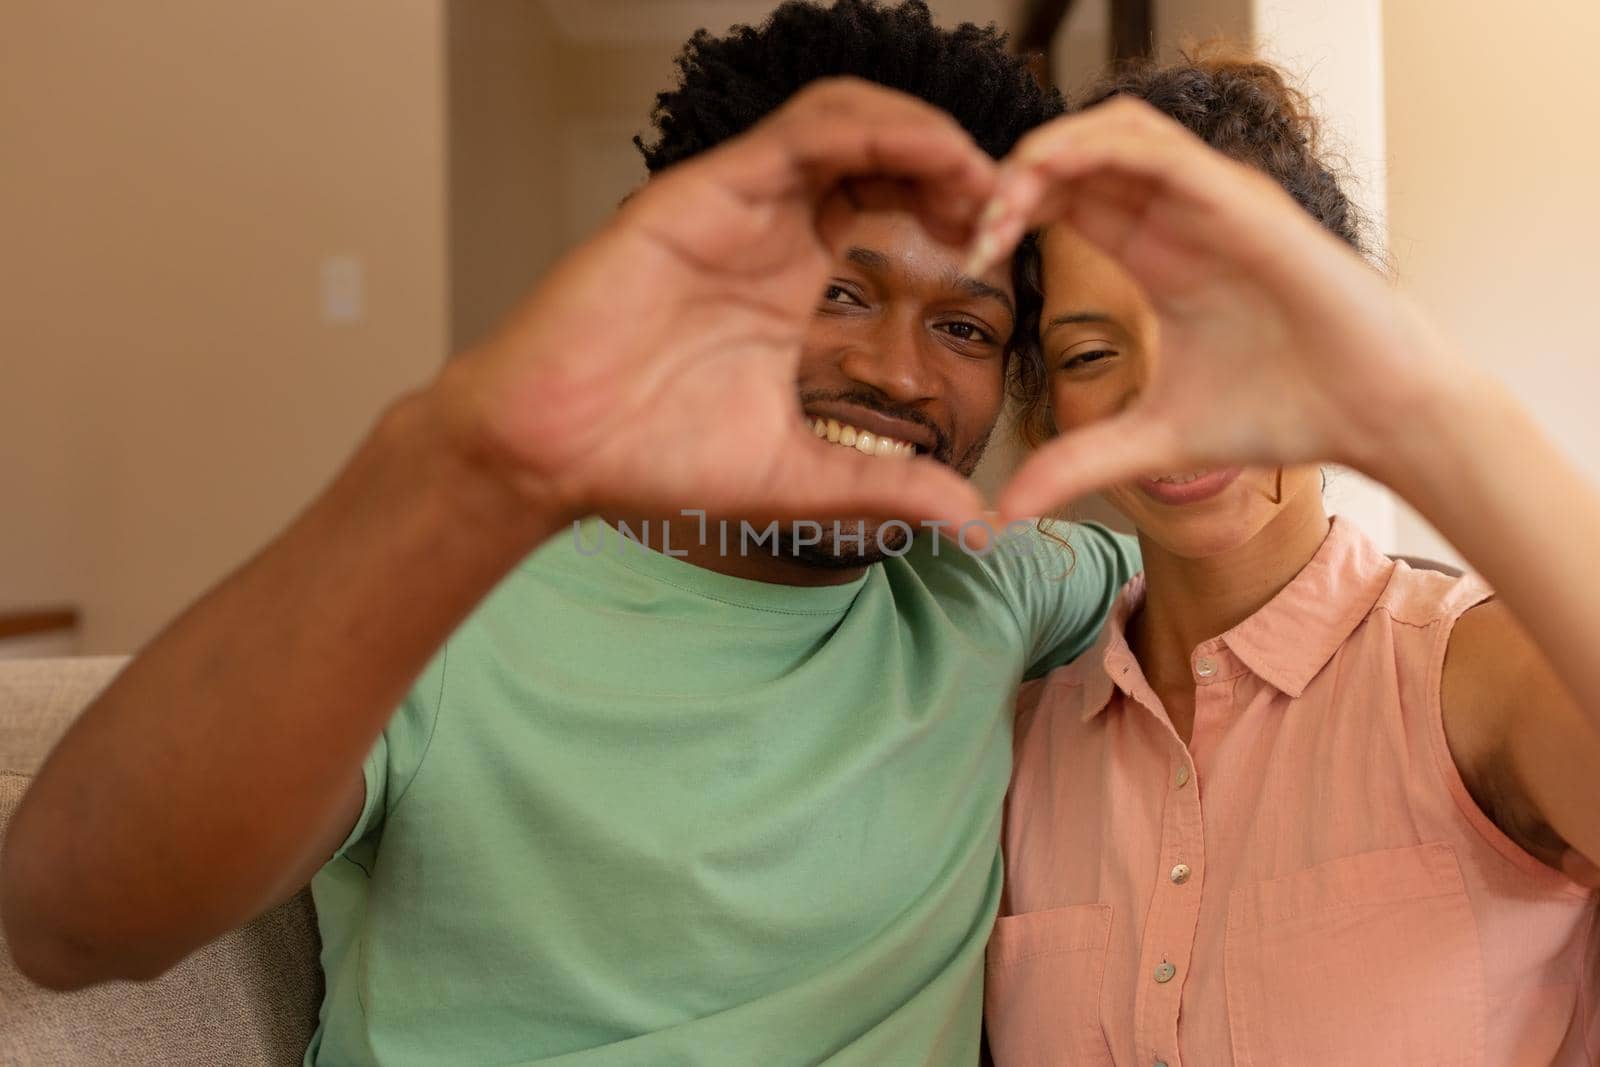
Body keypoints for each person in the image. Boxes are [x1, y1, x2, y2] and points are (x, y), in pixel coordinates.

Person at [0, 4, 1139, 1066]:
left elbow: (1274, 572)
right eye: (838, 291)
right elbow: (70, 923)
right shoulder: (450, 601)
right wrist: (459, 459)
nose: (897, 370)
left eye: (963, 325)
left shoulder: (984, 588)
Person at [976, 57, 1600, 1065]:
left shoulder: (1472, 678)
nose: (1168, 397)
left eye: (1222, 323)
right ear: (1046, 403)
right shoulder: (1016, 750)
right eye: (1092, 354)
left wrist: (1432, 419)